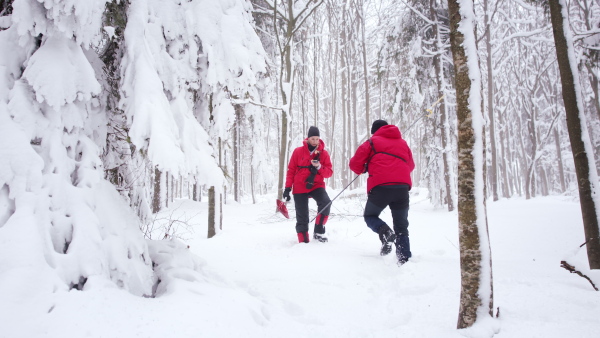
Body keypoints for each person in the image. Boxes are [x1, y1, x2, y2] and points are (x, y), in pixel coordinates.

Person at [349, 120, 415, 264]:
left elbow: (354, 165)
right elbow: (410, 165)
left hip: (381, 187)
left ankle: (385, 232)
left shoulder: (371, 142)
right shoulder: (403, 143)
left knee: (370, 216)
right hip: (402, 188)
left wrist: (365, 168)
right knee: (401, 225)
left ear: (375, 131)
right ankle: (404, 259)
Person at [283, 126, 333, 243]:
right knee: (302, 215)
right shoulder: (298, 151)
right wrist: (287, 188)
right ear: (308, 138)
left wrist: (319, 166)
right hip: (300, 186)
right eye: (313, 139)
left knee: (326, 203)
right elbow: (291, 171)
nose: (315, 141)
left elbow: (329, 173)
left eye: (317, 139)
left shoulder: (323, 154)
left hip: (316, 185)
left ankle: (319, 232)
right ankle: (303, 241)